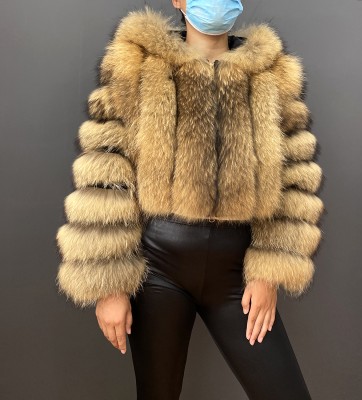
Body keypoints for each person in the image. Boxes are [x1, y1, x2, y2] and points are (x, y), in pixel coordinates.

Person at [55, 1, 324, 399]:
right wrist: (109, 285)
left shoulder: (271, 72)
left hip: (237, 272)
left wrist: (269, 271)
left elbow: (295, 177)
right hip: (158, 269)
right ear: (179, 0)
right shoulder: (137, 63)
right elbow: (104, 171)